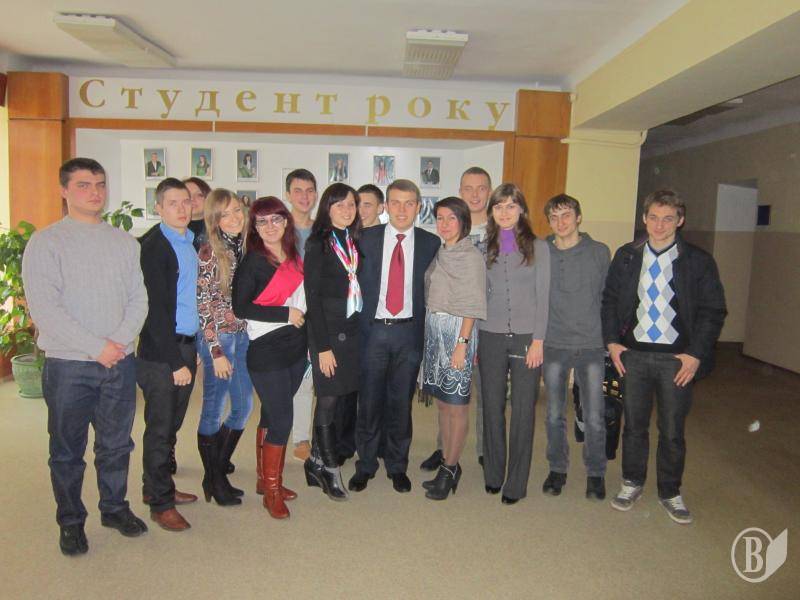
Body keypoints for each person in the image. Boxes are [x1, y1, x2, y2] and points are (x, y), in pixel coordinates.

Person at [22, 158, 148, 556]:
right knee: (67, 451)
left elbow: (139, 300)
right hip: (68, 365)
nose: (94, 192)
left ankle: (114, 508)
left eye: (99, 184)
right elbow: (46, 310)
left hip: (119, 363)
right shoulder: (46, 242)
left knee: (116, 445)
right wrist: (97, 347)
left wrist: (117, 343)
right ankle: (71, 522)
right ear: (64, 191)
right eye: (83, 185)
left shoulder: (125, 243)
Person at [603, 189, 726, 524]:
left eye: (668, 219)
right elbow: (610, 300)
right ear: (644, 219)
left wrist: (696, 354)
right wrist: (612, 342)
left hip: (677, 361)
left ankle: (670, 491)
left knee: (672, 430)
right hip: (634, 357)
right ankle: (631, 482)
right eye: (654, 218)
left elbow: (713, 311)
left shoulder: (698, 261)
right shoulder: (627, 256)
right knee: (634, 426)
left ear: (680, 221)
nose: (659, 225)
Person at [138, 178, 230, 533]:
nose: (181, 208)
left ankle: (156, 487)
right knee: (160, 429)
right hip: (163, 352)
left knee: (172, 426)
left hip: (185, 345)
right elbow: (155, 312)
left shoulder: (190, 241)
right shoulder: (155, 247)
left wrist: (193, 348)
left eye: (186, 202)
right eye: (173, 203)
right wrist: (175, 362)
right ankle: (160, 504)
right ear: (158, 207)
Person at [349, 179, 440, 494]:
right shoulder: (364, 239)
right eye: (396, 203)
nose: (402, 210)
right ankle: (366, 465)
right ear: (386, 206)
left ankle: (397, 465)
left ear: (418, 207)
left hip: (409, 333)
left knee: (401, 403)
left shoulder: (431, 243)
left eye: (409, 203)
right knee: (369, 401)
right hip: (373, 331)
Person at [232, 197, 307, 519]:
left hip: (295, 348)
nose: (270, 226)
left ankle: (265, 480)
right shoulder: (253, 262)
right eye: (262, 221)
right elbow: (241, 307)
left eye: (276, 219)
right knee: (282, 419)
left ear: (286, 221)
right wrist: (285, 313)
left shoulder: (293, 255)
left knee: (271, 414)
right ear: (255, 227)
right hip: (267, 351)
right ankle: (273, 492)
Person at [478, 183, 550, 505]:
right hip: (490, 335)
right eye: (498, 206)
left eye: (511, 206)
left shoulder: (539, 248)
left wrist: (539, 340)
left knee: (522, 411)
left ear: (521, 209)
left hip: (526, 338)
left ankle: (516, 483)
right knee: (491, 407)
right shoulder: (483, 249)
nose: (505, 212)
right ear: (491, 212)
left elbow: (543, 297)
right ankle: (493, 474)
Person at [420, 166, 492, 472]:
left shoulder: (472, 254)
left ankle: (452, 467)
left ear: (463, 221)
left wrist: (462, 344)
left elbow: (473, 303)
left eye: (452, 218)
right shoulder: (440, 250)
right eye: (440, 218)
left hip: (459, 333)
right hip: (436, 332)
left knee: (458, 404)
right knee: (443, 401)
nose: (445, 224)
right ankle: (446, 457)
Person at [541, 194, 611, 500]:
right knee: (554, 413)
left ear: (579, 217)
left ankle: (595, 473)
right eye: (554, 217)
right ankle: (557, 468)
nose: (561, 222)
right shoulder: (541, 251)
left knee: (594, 415)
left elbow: (608, 297)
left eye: (566, 215)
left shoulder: (599, 252)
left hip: (591, 344)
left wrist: (611, 339)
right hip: (554, 343)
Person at [302, 183, 363, 501]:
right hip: (326, 335)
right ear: (327, 208)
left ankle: (314, 461)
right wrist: (322, 348)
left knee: (338, 399)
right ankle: (329, 468)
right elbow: (312, 298)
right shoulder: (318, 244)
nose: (346, 210)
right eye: (339, 204)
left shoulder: (354, 240)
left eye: (351, 204)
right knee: (327, 399)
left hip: (350, 333)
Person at [195, 189, 252, 503]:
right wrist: (215, 352)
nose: (233, 218)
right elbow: (203, 304)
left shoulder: (245, 246)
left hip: (242, 336)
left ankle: (215, 472)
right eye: (225, 214)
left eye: (237, 211)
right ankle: (215, 481)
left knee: (243, 407)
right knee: (213, 410)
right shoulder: (209, 251)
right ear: (214, 219)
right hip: (219, 340)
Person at [284, 169, 318, 461]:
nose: (304, 196)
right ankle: (277, 431)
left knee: (306, 377)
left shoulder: (322, 231)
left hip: (314, 314)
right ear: (288, 195)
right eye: (298, 190)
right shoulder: (278, 230)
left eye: (309, 191)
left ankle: (301, 437)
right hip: (283, 314)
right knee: (282, 377)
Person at [185, 177, 211, 251]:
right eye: (187, 194)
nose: (192, 199)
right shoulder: (166, 231)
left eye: (199, 195)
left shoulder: (219, 229)